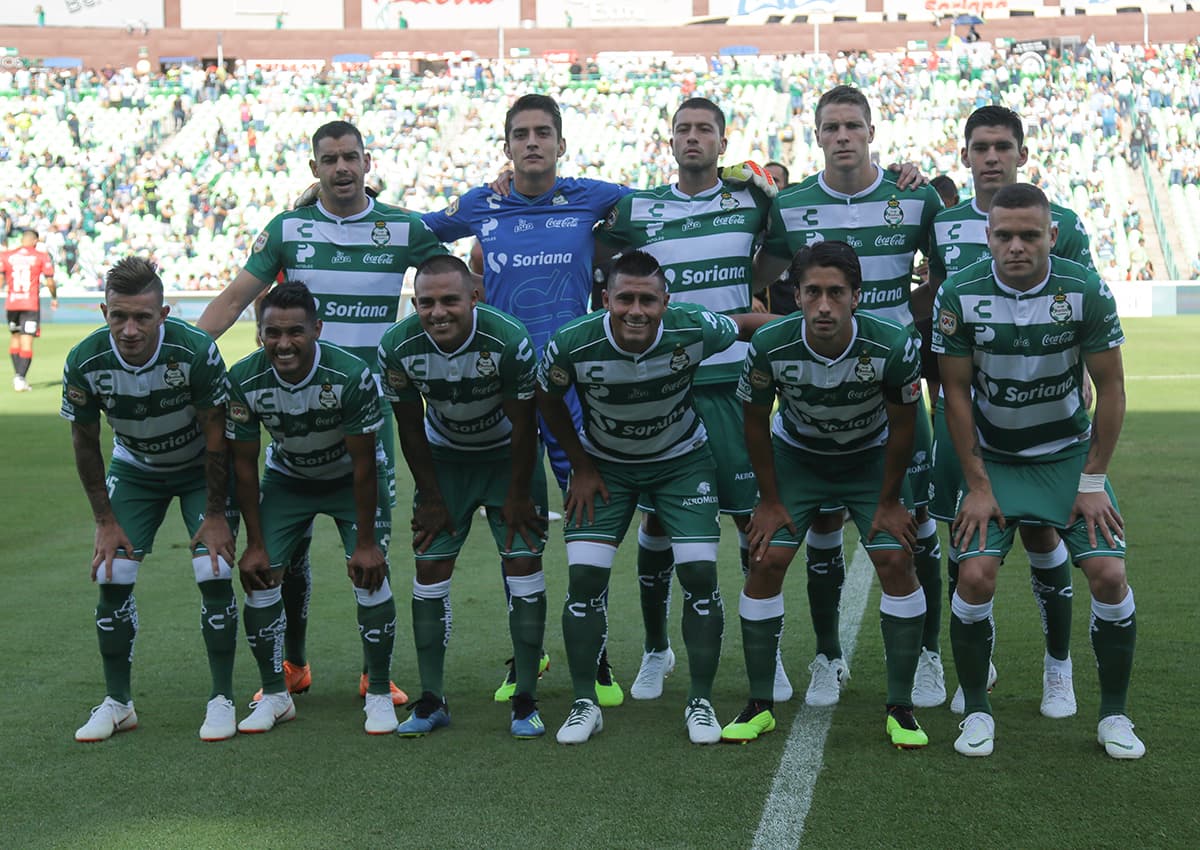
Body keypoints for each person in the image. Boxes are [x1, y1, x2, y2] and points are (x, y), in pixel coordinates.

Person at [198, 120, 440, 707]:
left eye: (350, 157)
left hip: (366, 410)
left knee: (369, 544)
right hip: (294, 409)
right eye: (329, 159)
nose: (340, 168)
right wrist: (183, 361)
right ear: (315, 168)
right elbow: (234, 299)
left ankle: (372, 673)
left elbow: (451, 287)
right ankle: (294, 664)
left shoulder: (404, 227)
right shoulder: (289, 229)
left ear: (366, 161)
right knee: (291, 552)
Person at [421, 94, 633, 705]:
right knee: (517, 528)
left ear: (561, 144)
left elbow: (661, 208)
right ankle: (528, 651)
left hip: (572, 389)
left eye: (544, 133)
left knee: (591, 525)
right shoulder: (481, 204)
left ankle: (595, 657)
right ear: (507, 146)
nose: (533, 142)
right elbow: (416, 231)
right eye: (521, 134)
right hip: (507, 394)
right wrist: (335, 208)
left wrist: (748, 182)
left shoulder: (593, 197)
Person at [933, 183, 1144, 760]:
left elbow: (1113, 388)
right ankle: (976, 709)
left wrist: (1094, 478)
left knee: (1107, 573)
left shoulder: (1084, 290)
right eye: (1005, 235)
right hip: (995, 460)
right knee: (974, 576)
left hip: (1067, 455)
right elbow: (953, 394)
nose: (1017, 246)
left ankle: (1115, 716)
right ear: (988, 237)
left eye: (1030, 235)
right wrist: (976, 484)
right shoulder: (959, 293)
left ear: (1053, 236)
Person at [755, 85, 946, 709]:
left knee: (918, 527)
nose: (843, 136)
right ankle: (828, 656)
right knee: (823, 528)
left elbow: (947, 279)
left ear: (871, 131)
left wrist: (904, 321)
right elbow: (759, 280)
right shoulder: (791, 207)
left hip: (890, 390)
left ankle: (927, 657)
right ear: (817, 135)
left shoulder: (911, 196)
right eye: (831, 127)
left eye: (853, 126)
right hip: (818, 389)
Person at [597, 97, 790, 703]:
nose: (693, 138)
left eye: (704, 129)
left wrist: (746, 295)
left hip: (732, 380)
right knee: (659, 522)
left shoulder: (751, 198)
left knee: (750, 520)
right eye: (683, 129)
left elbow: (780, 253)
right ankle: (657, 649)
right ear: (670, 141)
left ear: (722, 143)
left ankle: (770, 655)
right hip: (665, 384)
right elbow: (589, 237)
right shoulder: (638, 206)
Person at [536, 250, 770, 745]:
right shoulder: (572, 343)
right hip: (606, 469)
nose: (636, 310)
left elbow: (748, 323)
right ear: (606, 300)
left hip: (683, 462)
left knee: (700, 573)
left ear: (667, 302)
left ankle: (700, 702)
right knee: (584, 578)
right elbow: (547, 399)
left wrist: (804, 332)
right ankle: (585, 703)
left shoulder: (694, 328)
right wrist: (579, 464)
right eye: (625, 299)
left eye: (648, 300)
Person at [724, 241, 927, 748]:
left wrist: (888, 502)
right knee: (765, 558)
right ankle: (759, 703)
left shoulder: (893, 344)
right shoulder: (770, 344)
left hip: (869, 459)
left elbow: (904, 427)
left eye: (836, 293)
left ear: (857, 296)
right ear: (794, 295)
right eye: (812, 292)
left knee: (895, 559)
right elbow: (755, 423)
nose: (823, 306)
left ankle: (901, 708)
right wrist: (769, 502)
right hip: (799, 458)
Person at [928, 106, 1096, 718]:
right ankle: (981, 656)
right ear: (965, 154)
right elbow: (934, 302)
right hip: (967, 407)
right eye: (980, 146)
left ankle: (1059, 667)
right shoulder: (942, 222)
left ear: (1022, 152)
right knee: (967, 529)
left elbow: (1080, 311)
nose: (991, 156)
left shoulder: (1065, 223)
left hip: (1048, 415)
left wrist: (1068, 388)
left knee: (1044, 528)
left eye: (1003, 145)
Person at [63, 257, 238, 743]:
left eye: (143, 316)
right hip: (136, 470)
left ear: (164, 313)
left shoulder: (194, 350)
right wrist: (104, 520)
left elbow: (218, 432)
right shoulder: (85, 360)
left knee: (215, 569)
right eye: (119, 316)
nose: (130, 329)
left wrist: (218, 513)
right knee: (111, 571)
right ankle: (118, 703)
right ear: (104, 311)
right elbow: (83, 440)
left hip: (198, 469)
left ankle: (221, 698)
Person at [379, 256, 549, 738]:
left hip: (506, 459)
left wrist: (518, 492)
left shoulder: (508, 339)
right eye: (427, 302)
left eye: (449, 300)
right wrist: (430, 495)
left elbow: (524, 424)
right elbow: (409, 427)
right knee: (429, 567)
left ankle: (525, 700)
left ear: (474, 298)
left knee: (522, 564)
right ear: (415, 304)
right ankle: (432, 699)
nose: (438, 312)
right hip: (444, 461)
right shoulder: (397, 345)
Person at [226, 281, 399, 736]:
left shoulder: (348, 375)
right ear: (259, 333)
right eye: (272, 333)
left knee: (369, 573)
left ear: (317, 329)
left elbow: (365, 464)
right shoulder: (243, 379)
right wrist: (256, 543)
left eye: (296, 331)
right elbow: (243, 467)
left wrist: (364, 543)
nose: (284, 343)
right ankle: (276, 696)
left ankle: (379, 692)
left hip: (350, 479)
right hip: (289, 480)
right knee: (260, 577)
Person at [2, 230, 57, 392]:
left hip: (12, 304)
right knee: (26, 341)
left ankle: (18, 375)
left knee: (15, 338)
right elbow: (50, 282)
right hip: (30, 304)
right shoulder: (41, 256)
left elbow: (0, 279)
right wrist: (54, 297)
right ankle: (20, 377)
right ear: (35, 241)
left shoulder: (7, 255)